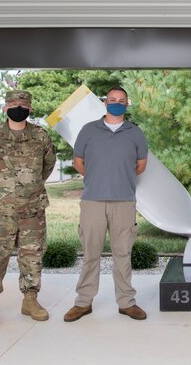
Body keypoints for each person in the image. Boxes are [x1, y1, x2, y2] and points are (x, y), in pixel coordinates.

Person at [0, 90, 56, 331]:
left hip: (32, 210)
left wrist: (30, 187)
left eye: (23, 104)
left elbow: (48, 165)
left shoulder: (40, 136)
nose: (19, 107)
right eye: (14, 104)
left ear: (30, 109)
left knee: (32, 256)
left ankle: (30, 300)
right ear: (5, 108)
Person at [64, 86, 149, 322]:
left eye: (121, 101)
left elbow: (141, 165)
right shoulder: (88, 130)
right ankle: (83, 303)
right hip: (92, 201)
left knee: (123, 254)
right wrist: (97, 176)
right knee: (91, 253)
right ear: (105, 103)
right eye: (112, 100)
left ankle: (126, 302)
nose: (116, 103)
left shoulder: (135, 133)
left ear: (127, 104)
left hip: (124, 202)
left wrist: (119, 177)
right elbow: (79, 162)